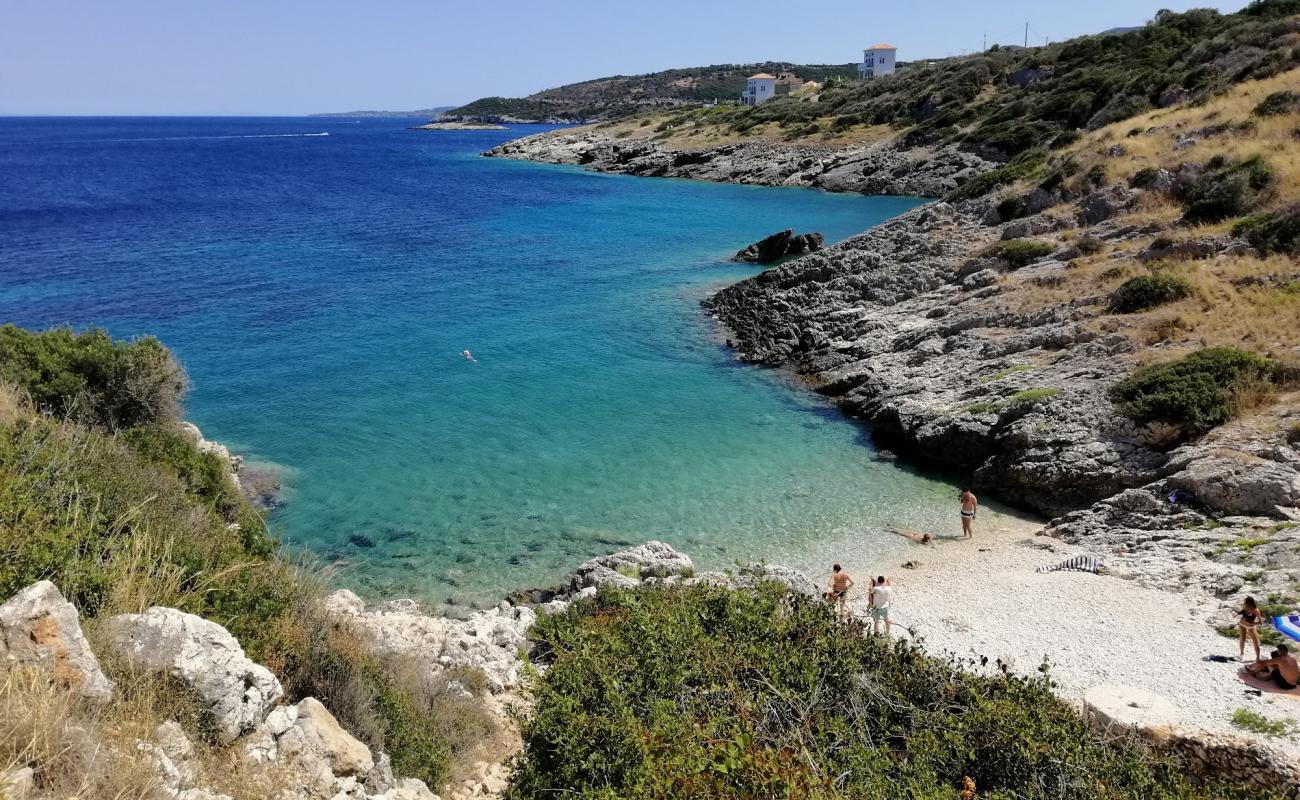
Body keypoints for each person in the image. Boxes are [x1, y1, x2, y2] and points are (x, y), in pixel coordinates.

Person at [1239, 596, 1265, 662]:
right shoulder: (1245, 608)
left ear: (1249, 603)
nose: (1244, 603)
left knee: (1256, 641)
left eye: (1245, 602)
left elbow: (1261, 622)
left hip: (1251, 626)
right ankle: (1241, 655)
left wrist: (1253, 624)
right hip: (1242, 624)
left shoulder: (1256, 610)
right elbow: (1240, 614)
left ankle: (1258, 657)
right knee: (1242, 638)